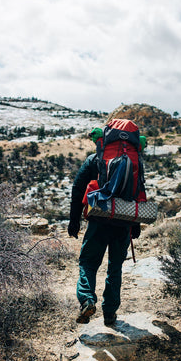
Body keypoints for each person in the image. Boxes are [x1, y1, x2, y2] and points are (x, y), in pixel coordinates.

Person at [68, 128, 141, 326]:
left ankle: (87, 300)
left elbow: (77, 188)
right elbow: (139, 191)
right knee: (115, 268)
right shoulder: (135, 161)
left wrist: (74, 220)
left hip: (99, 220)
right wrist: (135, 224)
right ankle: (109, 314)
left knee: (88, 263)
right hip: (124, 222)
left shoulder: (95, 160)